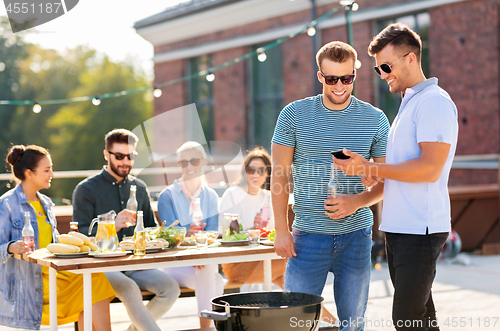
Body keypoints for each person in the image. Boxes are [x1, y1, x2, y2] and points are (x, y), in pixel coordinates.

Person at [334, 23, 458, 331]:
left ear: (411, 59)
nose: (384, 74)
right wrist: (360, 198)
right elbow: (397, 176)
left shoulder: (434, 102)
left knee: (406, 320)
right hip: (401, 230)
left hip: (421, 230)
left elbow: (429, 169)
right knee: (420, 321)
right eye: (378, 69)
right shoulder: (409, 103)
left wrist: (370, 168)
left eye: (387, 66)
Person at [271, 41, 390, 330]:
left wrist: (357, 202)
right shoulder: (293, 115)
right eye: (332, 78)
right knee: (294, 322)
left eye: (346, 78)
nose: (339, 85)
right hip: (307, 237)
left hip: (356, 236)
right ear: (320, 76)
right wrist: (281, 230)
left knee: (353, 324)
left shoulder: (375, 119)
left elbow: (389, 179)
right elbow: (279, 176)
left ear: (355, 75)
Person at [72, 129, 180, 331]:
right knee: (130, 289)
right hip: (102, 267)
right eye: (119, 156)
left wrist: (161, 238)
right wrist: (112, 226)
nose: (126, 162)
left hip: (135, 264)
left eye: (130, 156)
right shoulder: (86, 189)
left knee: (170, 288)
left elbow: (151, 228)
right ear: (106, 155)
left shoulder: (139, 188)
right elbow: (81, 235)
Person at [0, 145, 115, 330]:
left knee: (94, 280)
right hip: (30, 281)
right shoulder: (6, 205)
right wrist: (11, 247)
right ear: (29, 173)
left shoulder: (45, 203)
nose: (52, 174)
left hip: (55, 273)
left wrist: (81, 242)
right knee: (92, 285)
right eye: (47, 170)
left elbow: (51, 244)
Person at [157, 141, 224, 328]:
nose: (189, 166)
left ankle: (207, 328)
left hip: (203, 262)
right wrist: (189, 236)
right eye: (183, 162)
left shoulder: (211, 196)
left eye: (194, 161)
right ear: (178, 164)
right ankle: (208, 328)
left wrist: (199, 250)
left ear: (204, 162)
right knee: (213, 275)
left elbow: (212, 232)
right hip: (175, 264)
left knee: (213, 274)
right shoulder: (166, 196)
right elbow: (170, 236)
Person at [219, 147, 287, 288]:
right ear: (245, 172)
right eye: (251, 170)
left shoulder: (268, 196)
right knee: (295, 265)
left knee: (291, 286)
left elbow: (273, 231)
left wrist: (263, 228)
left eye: (261, 170)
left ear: (267, 173)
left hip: (263, 257)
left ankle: (313, 309)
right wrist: (253, 229)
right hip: (237, 263)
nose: (256, 174)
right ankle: (314, 308)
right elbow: (229, 235)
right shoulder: (232, 195)